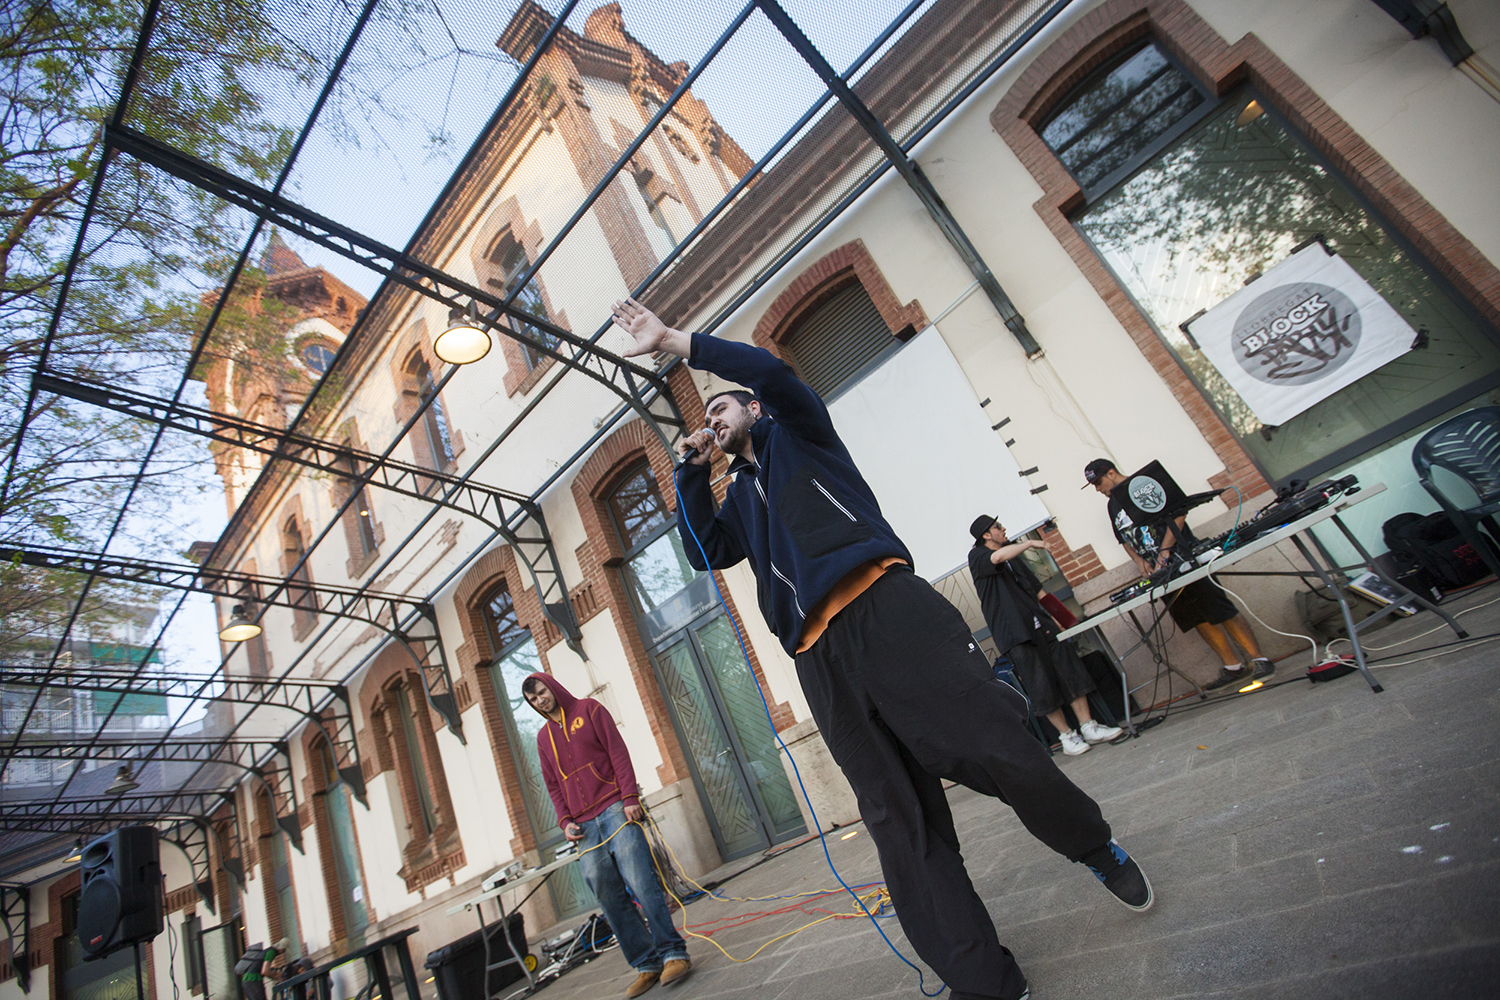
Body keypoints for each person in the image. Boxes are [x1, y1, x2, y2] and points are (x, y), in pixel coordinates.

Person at [610, 296, 1152, 1000]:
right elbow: (704, 549)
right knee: (899, 820)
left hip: (887, 610)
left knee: (995, 744)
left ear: (754, 411)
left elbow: (770, 374)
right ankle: (982, 978)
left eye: (722, 409)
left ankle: (1092, 846)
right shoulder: (739, 497)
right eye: (705, 417)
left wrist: (677, 342)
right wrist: (687, 471)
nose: (712, 420)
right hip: (820, 660)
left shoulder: (801, 435)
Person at [521, 673, 691, 998]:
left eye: (542, 692)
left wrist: (629, 797)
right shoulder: (544, 739)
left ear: (552, 687)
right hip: (582, 827)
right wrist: (564, 820)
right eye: (533, 699)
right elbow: (553, 785)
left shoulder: (590, 710)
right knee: (607, 893)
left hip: (614, 807)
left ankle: (673, 953)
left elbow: (618, 753)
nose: (540, 700)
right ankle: (646, 964)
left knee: (641, 881)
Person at [1083, 458, 1274, 691]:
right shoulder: (1113, 504)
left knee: (1219, 609)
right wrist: (1139, 560)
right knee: (1195, 617)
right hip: (1159, 573)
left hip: (1183, 558)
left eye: (1098, 482)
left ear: (1111, 473)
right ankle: (1233, 666)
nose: (1098, 489)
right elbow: (1122, 538)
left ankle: (1259, 659)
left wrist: (1164, 552)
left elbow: (1179, 515)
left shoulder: (1144, 484)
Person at [968, 515, 1122, 755]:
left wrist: (1059, 617)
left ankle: (1088, 725)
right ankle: (1067, 736)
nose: (1003, 528)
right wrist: (1030, 543)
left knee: (1071, 670)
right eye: (997, 527)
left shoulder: (1012, 554)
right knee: (1040, 684)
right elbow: (996, 558)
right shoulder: (977, 557)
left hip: (1041, 623)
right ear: (986, 535)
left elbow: (1038, 590)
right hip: (1015, 633)